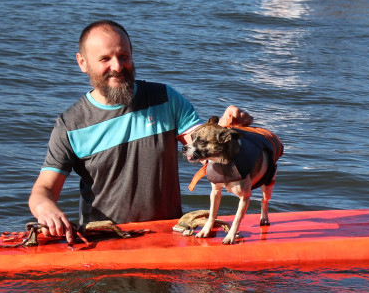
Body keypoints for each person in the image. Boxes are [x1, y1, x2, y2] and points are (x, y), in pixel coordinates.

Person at [28, 20, 251, 243]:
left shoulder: (166, 99)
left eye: (124, 56)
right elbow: (44, 188)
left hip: (167, 238)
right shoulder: (71, 124)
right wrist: (46, 210)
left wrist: (226, 130)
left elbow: (206, 150)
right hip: (103, 242)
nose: (117, 66)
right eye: (105, 59)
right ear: (82, 62)